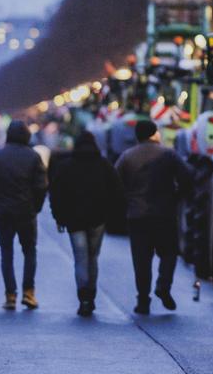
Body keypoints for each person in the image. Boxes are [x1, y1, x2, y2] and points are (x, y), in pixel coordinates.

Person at [116, 119, 193, 315]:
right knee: (169, 253)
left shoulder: (126, 157)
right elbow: (187, 176)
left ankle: (143, 300)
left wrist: (127, 202)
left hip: (137, 216)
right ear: (154, 133)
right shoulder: (168, 154)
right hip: (164, 213)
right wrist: (177, 197)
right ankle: (163, 286)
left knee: (141, 260)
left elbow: (115, 184)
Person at [48, 131, 125, 316]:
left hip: (74, 220)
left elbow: (56, 193)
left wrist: (58, 217)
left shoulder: (66, 166)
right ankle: (91, 295)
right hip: (98, 218)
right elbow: (117, 190)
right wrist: (111, 214)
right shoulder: (104, 165)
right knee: (93, 257)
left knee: (80, 258)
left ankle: (83, 298)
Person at [0, 120, 48, 310]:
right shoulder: (34, 157)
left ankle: (10, 295)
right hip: (26, 211)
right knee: (29, 251)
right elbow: (42, 186)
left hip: (2, 212)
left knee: (6, 253)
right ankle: (29, 293)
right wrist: (35, 207)